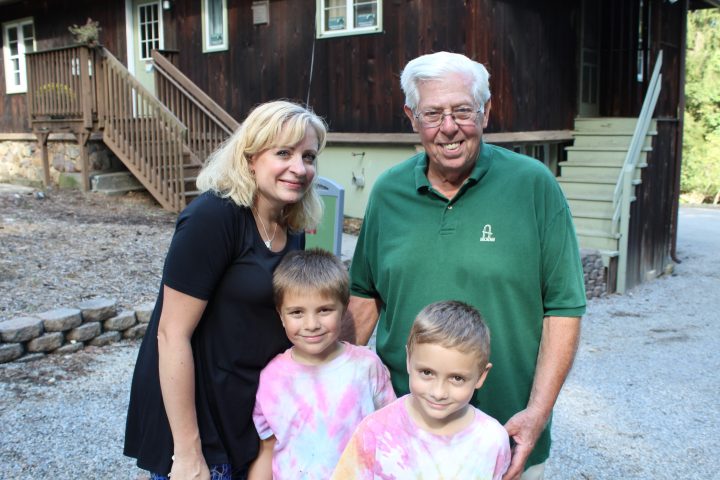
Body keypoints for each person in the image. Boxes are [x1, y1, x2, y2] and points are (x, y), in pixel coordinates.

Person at [346, 51, 586, 479]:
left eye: (462, 111)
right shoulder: (387, 192)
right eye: (432, 114)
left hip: (505, 437)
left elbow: (563, 309)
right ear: (412, 117)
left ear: (486, 112)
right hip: (401, 440)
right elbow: (364, 299)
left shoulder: (534, 186)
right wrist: (325, 385)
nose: (449, 127)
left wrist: (537, 414)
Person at [124, 100, 328, 480]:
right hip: (204, 421)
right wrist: (187, 452)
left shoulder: (292, 227)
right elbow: (171, 334)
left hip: (251, 415)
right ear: (250, 158)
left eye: (309, 156)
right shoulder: (213, 217)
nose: (300, 168)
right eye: (283, 153)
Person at [248, 248, 396, 480]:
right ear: (281, 315)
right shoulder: (271, 378)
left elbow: (391, 434)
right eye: (297, 312)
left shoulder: (366, 367)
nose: (311, 324)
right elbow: (267, 450)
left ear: (344, 308)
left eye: (324, 310)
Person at [332, 300, 511, 479]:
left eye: (457, 378)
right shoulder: (374, 430)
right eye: (427, 372)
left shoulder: (492, 440)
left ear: (481, 376)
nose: (438, 393)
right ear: (409, 360)